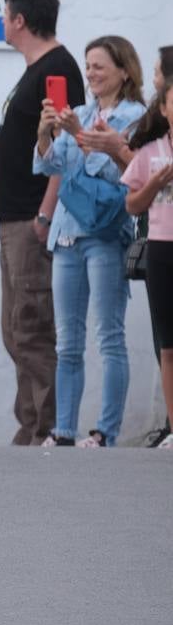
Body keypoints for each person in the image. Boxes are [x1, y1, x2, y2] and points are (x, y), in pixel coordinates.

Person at [34, 36, 145, 448]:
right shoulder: (78, 112)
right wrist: (46, 133)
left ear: (124, 71)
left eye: (99, 66)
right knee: (67, 340)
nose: (91, 73)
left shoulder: (136, 118)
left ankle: (105, 431)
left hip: (105, 234)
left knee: (109, 335)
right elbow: (53, 165)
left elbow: (121, 175)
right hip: (67, 233)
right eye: (88, 66)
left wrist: (79, 134)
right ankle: (64, 429)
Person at [0, 0, 86, 446]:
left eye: (4, 14)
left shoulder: (59, 68)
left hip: (33, 220)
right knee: (15, 329)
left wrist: (45, 215)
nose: (1, 22)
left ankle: (43, 430)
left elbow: (65, 151)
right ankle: (29, 426)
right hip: (16, 219)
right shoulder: (38, 69)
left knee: (31, 327)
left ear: (20, 20)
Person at [121, 78, 173, 449]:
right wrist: (155, 183)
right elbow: (133, 205)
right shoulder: (151, 151)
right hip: (162, 249)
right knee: (169, 347)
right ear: (164, 109)